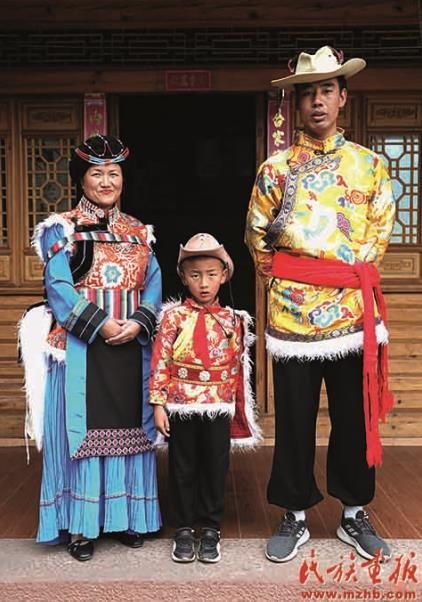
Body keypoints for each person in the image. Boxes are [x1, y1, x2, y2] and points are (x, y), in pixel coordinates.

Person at [245, 46, 396, 563]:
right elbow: (257, 236)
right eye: (307, 92)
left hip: (352, 311)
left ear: (343, 97)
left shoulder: (370, 166)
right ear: (295, 102)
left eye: (326, 90)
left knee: (354, 417)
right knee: (295, 419)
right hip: (293, 312)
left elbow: (378, 233)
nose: (317, 101)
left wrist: (342, 279)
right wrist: (291, 282)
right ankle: (294, 513)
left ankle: (353, 512)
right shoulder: (276, 168)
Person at [19, 135, 162, 561]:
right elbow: (58, 287)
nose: (106, 182)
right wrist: (101, 324)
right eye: (97, 173)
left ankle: (128, 519)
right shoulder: (61, 228)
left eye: (114, 173)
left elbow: (153, 284)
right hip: (80, 347)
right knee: (79, 436)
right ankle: (80, 528)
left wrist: (139, 322)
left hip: (130, 346)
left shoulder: (139, 232)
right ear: (81, 179)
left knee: (132, 433)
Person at [149, 233, 261, 563]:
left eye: (211, 274)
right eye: (195, 275)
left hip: (218, 406)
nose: (203, 283)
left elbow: (239, 369)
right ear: (183, 277)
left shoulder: (233, 320)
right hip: (181, 405)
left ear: (224, 275)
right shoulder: (172, 318)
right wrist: (158, 404)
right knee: (182, 467)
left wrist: (238, 409)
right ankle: (184, 527)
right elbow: (160, 361)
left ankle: (211, 527)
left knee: (215, 466)